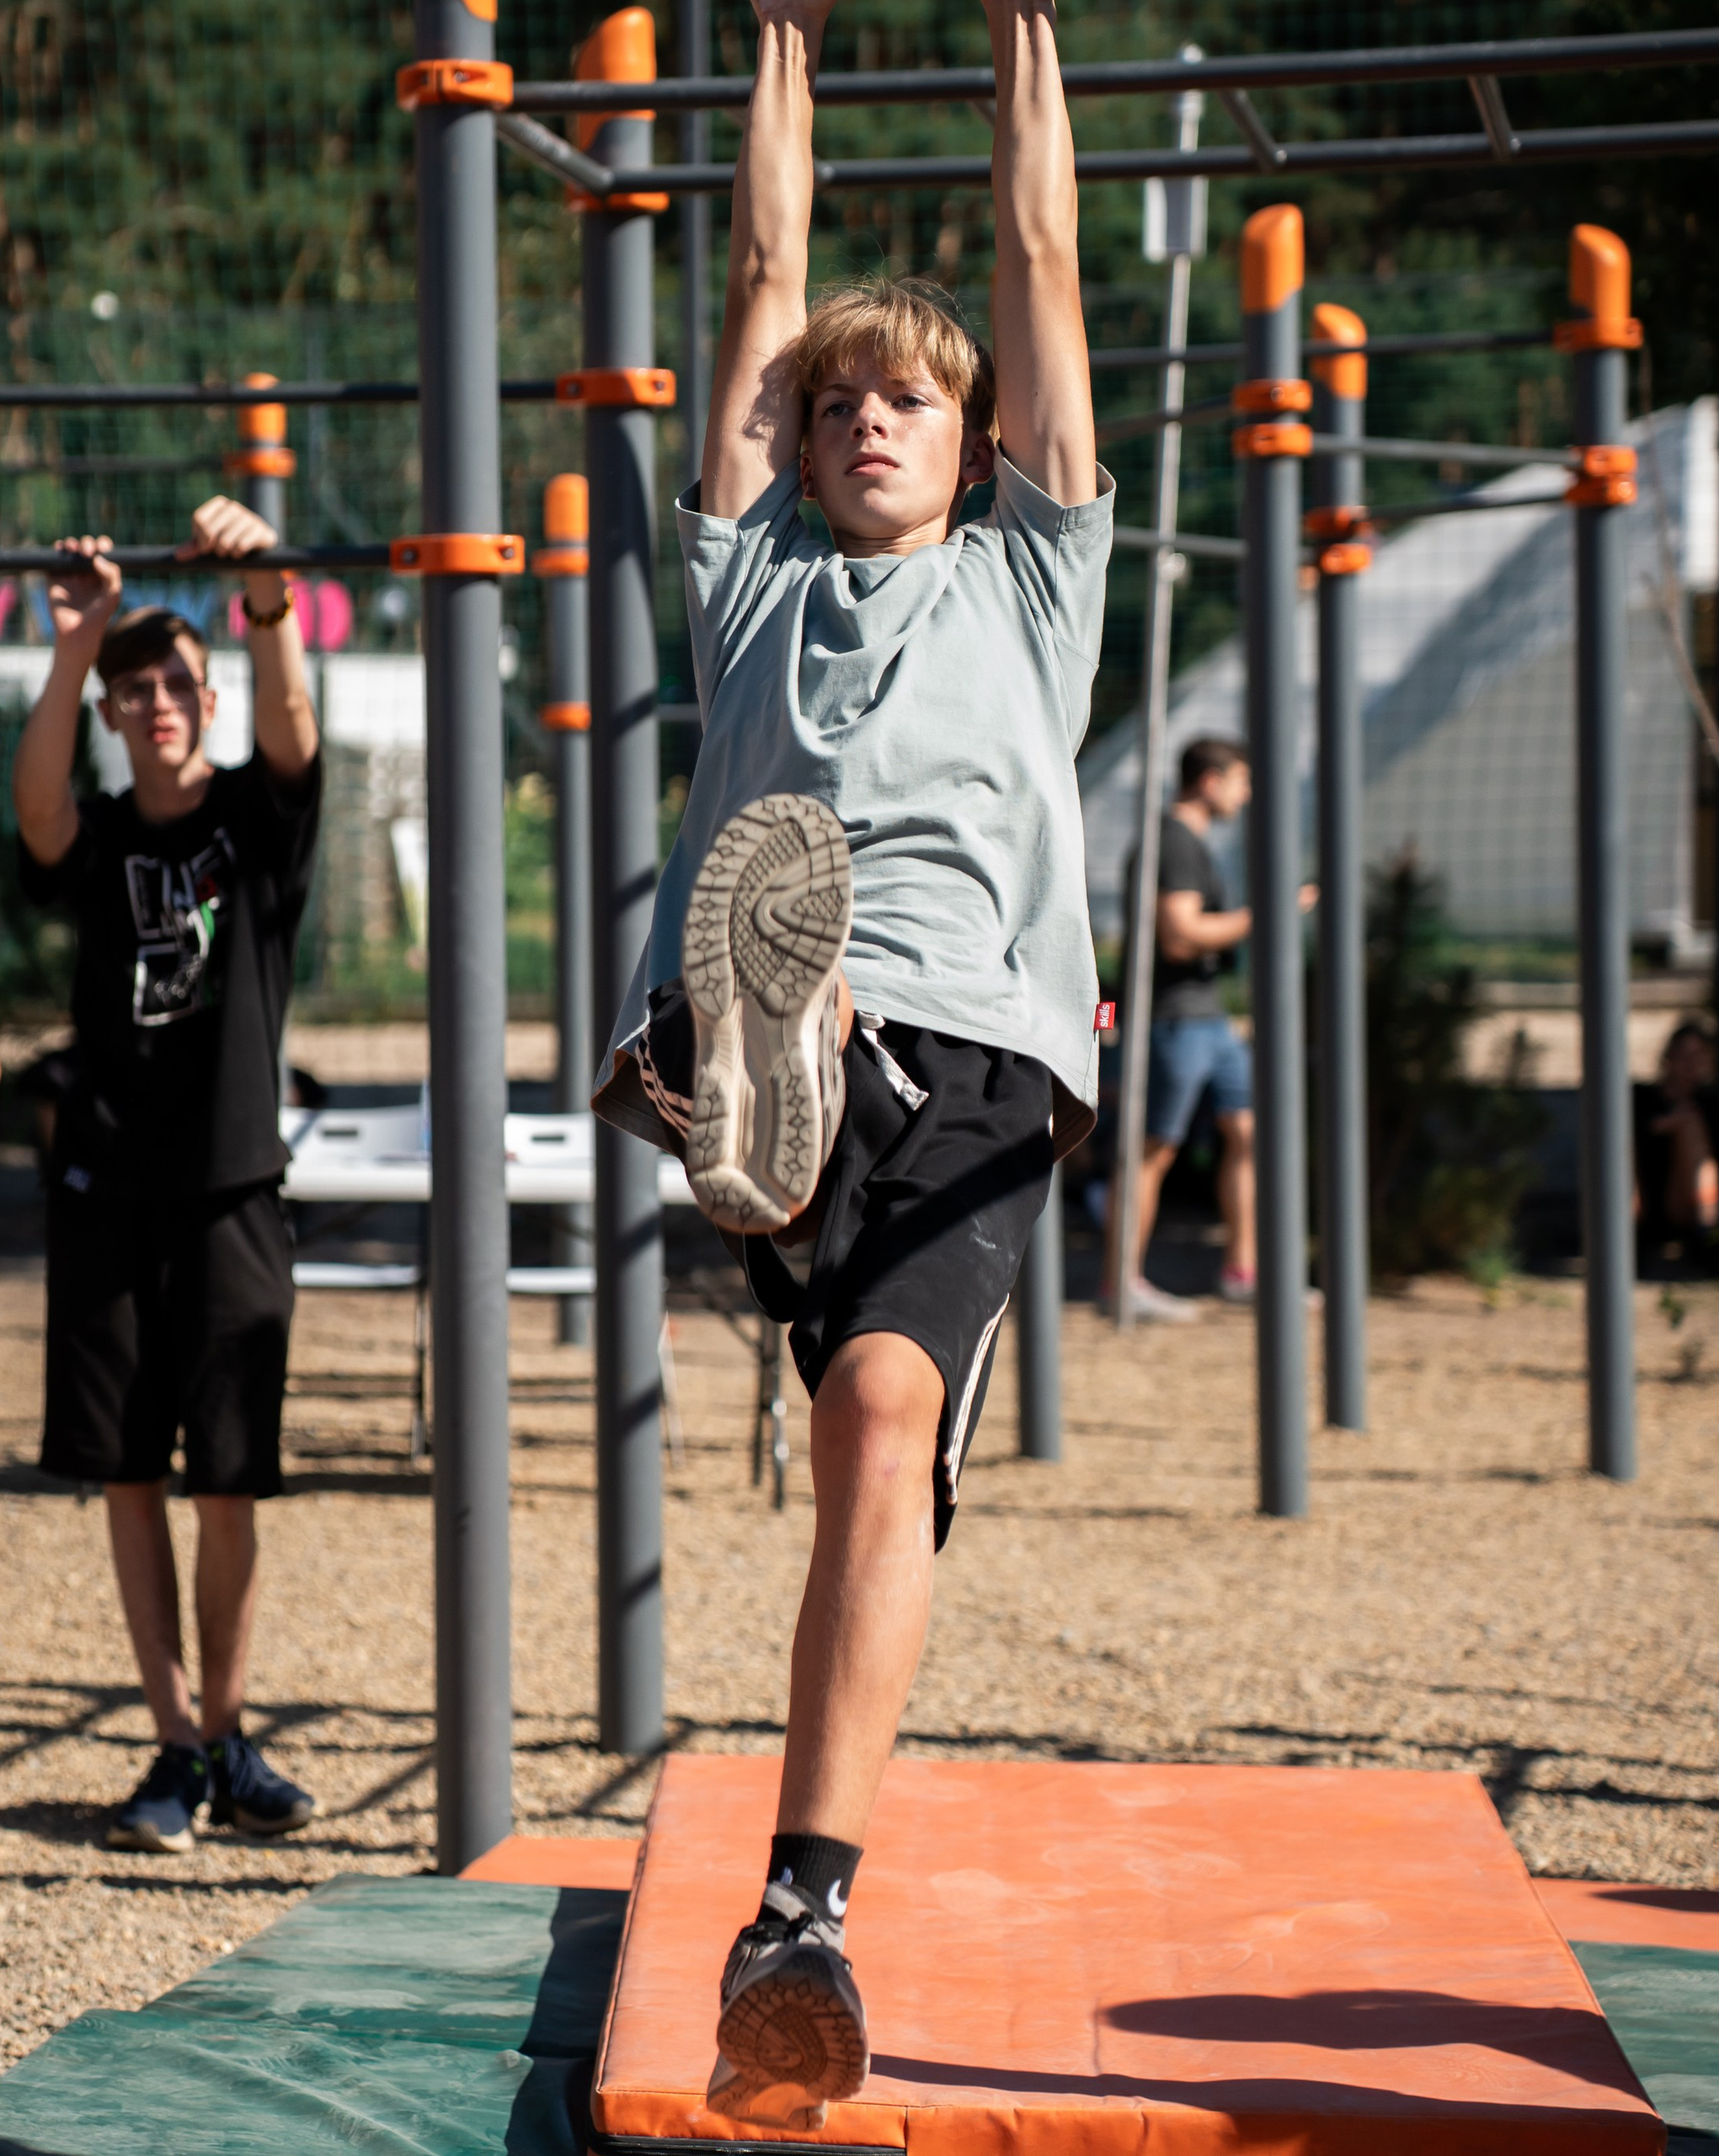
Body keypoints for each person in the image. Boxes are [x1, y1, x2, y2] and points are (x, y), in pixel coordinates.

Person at [588, 0, 1110, 2124]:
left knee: (880, 1425)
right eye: (836, 408)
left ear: (968, 444)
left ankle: (800, 1907)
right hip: (786, 1019)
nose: (868, 419)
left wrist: (1025, 53)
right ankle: (737, 1051)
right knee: (862, 1419)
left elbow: (1040, 271)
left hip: (974, 1056)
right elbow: (757, 285)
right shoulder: (746, 585)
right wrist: (774, 64)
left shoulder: (1029, 578)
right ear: (795, 452)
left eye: (907, 401)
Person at [11, 497, 323, 1854]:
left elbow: (294, 727)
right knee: (130, 1472)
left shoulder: (257, 819)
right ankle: (171, 1741)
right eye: (134, 692)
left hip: (233, 1187)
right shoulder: (99, 842)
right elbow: (30, 817)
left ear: (208, 694)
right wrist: (79, 642)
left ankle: (231, 1729)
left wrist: (261, 599)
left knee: (230, 1478)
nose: (157, 706)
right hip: (107, 1193)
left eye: (175, 685)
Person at [1104, 736, 1308, 1320]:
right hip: (1175, 1021)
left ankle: (1243, 1271)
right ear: (1211, 781)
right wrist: (1265, 913)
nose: (1246, 796)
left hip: (1210, 1019)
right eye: (1241, 782)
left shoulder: (1189, 844)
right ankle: (1124, 1282)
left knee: (1247, 1134)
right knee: (1152, 1152)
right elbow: (1180, 933)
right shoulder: (1171, 842)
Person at [1634, 1019, 1718, 1246]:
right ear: (1668, 1057)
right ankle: (1707, 1228)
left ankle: (1706, 1225)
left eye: (1699, 1055)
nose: (1692, 1063)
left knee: (1691, 1126)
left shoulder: (1709, 1103)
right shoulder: (1642, 1099)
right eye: (1685, 1055)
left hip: (1693, 1200)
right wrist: (1664, 1124)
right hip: (1653, 1199)